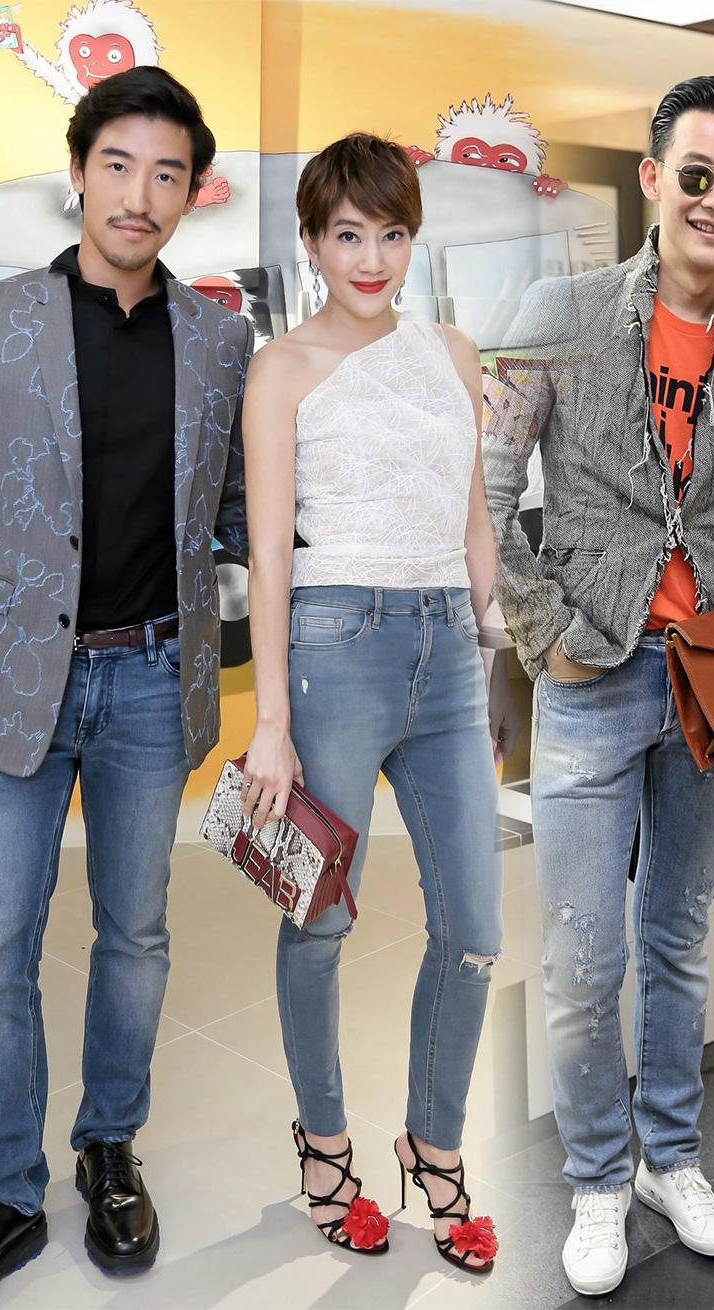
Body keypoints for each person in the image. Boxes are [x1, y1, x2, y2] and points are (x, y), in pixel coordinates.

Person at [0, 67, 251, 1308]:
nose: (139, 194)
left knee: (135, 934)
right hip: (10, 688)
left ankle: (107, 1145)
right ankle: (2, 1192)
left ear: (190, 192)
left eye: (167, 173)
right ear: (79, 172)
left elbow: (239, 511)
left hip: (152, 677)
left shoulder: (221, 339)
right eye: (118, 165)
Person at [484, 76, 714, 1297]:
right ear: (650, 179)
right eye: (694, 175)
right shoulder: (559, 308)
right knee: (582, 958)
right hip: (589, 677)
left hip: (713, 686)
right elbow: (484, 488)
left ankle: (667, 1159)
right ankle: (595, 1175)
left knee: (677, 941)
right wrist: (549, 634)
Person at [241, 132, 502, 1272]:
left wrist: (495, 651)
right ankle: (324, 1145)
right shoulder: (281, 368)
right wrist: (270, 724)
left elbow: (474, 516)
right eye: (348, 235)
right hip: (333, 648)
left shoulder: (451, 350)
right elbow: (268, 555)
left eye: (392, 235)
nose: (372, 258)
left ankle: (432, 1146)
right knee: (320, 917)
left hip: (447, 651)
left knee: (475, 927)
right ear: (312, 240)